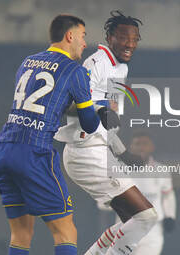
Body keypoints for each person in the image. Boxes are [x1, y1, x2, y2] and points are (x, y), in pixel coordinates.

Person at [0, 14, 119, 255]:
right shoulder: (74, 71)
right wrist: (102, 106)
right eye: (82, 36)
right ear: (69, 36)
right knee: (66, 232)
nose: (84, 43)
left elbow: (47, 102)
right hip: (34, 152)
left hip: (4, 150)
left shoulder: (27, 62)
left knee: (21, 234)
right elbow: (90, 124)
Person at [55, 11, 158, 255]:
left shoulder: (120, 70)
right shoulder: (96, 63)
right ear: (111, 37)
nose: (130, 44)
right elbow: (74, 105)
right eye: (124, 38)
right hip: (84, 152)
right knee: (146, 217)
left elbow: (110, 123)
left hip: (101, 151)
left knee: (132, 221)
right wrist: (100, 109)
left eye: (135, 40)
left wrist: (123, 153)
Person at [123, 129, 176, 255]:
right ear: (131, 146)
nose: (141, 147)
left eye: (145, 143)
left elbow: (168, 196)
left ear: (152, 147)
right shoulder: (120, 169)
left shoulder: (162, 170)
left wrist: (170, 216)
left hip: (152, 228)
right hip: (125, 227)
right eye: (137, 144)